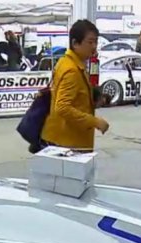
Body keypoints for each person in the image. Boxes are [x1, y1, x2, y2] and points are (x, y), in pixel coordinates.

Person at [38, 19, 110, 152]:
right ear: (75, 43)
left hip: (66, 139)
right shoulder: (72, 69)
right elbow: (63, 107)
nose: (94, 46)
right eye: (90, 42)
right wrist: (95, 121)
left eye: (96, 42)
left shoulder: (68, 62)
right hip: (68, 143)